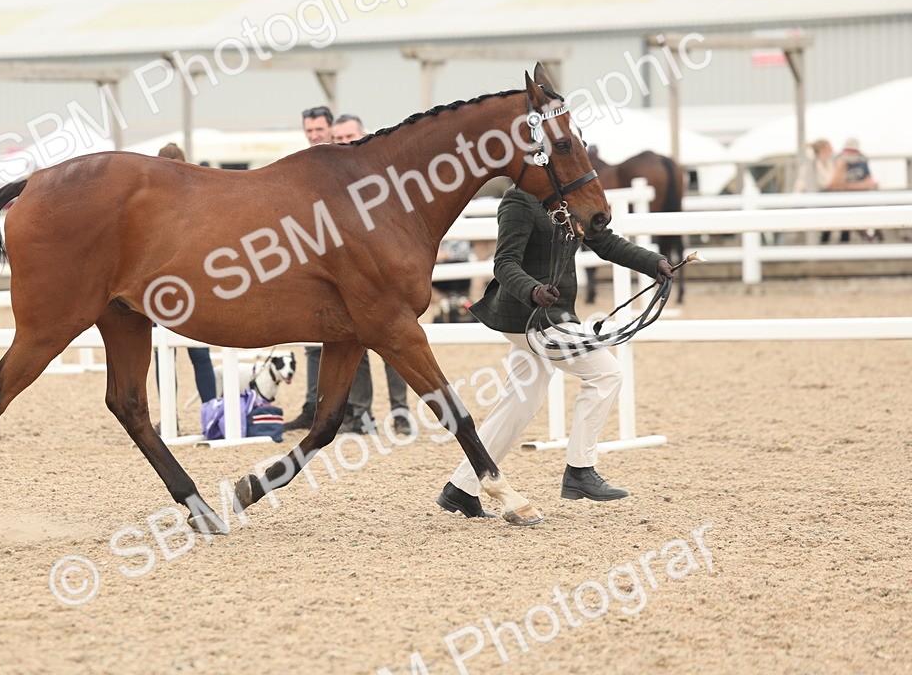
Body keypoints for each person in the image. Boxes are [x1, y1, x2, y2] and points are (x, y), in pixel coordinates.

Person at [435, 184, 673, 519]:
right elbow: (504, 262)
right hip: (531, 317)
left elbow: (603, 240)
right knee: (606, 373)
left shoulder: (572, 198)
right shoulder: (520, 199)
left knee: (520, 402)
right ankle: (580, 470)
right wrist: (531, 289)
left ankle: (461, 487)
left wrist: (654, 262)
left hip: (551, 315)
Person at [284, 107, 397, 434]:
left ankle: (386, 412)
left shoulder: (370, 170)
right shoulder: (314, 165)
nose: (315, 135)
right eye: (310, 130)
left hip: (367, 270)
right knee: (322, 343)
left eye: (320, 129)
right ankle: (329, 411)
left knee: (386, 342)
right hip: (324, 265)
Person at [327, 113, 414, 434]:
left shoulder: (383, 177)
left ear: (364, 135)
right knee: (354, 345)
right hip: (349, 277)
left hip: (384, 275)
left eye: (349, 136)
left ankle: (400, 411)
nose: (343, 143)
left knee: (395, 342)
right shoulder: (326, 183)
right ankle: (362, 414)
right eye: (337, 138)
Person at [154, 142, 218, 407]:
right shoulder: (199, 198)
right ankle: (212, 412)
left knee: (163, 357)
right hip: (192, 285)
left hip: (160, 287)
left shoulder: (150, 202)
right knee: (200, 355)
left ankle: (171, 419)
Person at [826, 139, 881, 243]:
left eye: (853, 150)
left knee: (871, 211)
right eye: (848, 150)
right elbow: (837, 186)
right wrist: (860, 185)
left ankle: (873, 239)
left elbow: (869, 180)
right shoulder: (838, 160)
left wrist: (856, 185)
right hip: (840, 199)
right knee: (845, 216)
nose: (851, 153)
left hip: (860, 198)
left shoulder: (862, 158)